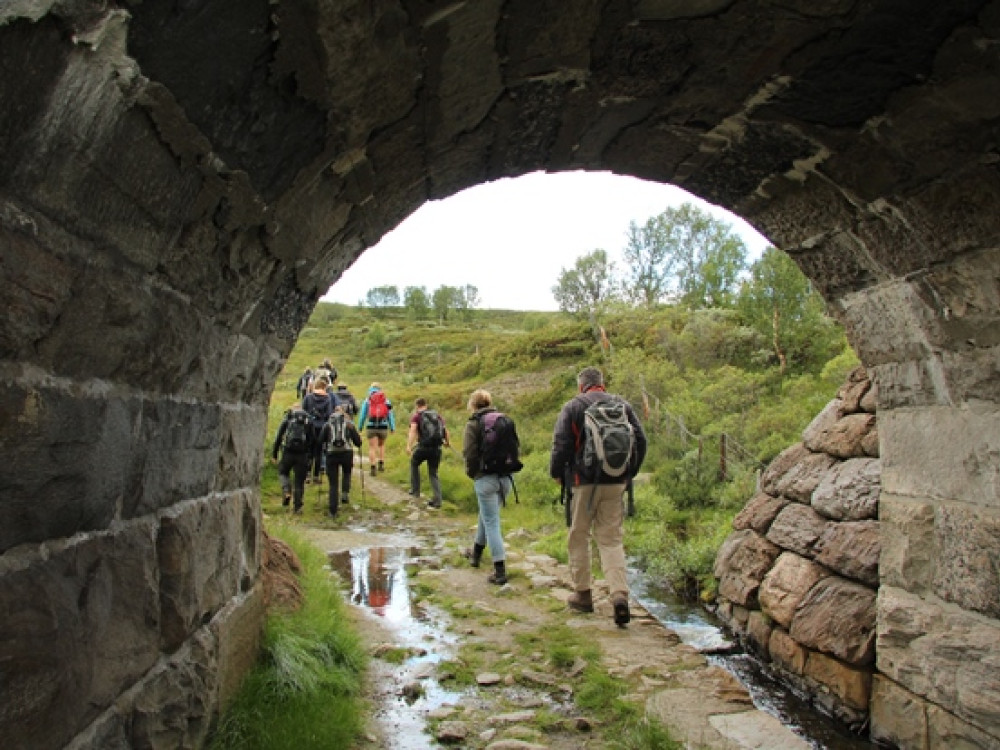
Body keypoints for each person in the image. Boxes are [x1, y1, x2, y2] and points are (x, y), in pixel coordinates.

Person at [549, 366, 647, 626]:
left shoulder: (573, 406)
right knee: (611, 539)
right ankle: (619, 595)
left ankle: (583, 594)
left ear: (581, 385)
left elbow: (561, 444)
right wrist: (628, 473)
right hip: (616, 481)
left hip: (583, 482)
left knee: (579, 535)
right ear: (601, 384)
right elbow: (641, 439)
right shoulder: (622, 405)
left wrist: (558, 474)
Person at [462, 389, 510, 585]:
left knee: (492, 522)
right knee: (486, 515)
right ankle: (476, 554)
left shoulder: (473, 424)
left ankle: (500, 570)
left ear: (473, 404)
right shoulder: (504, 420)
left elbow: (469, 453)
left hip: (485, 478)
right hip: (505, 478)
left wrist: (473, 474)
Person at [272, 402, 315, 514]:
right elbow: (313, 440)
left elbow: (278, 438)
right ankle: (298, 508)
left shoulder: (288, 419)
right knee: (299, 482)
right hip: (302, 454)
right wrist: (310, 456)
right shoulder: (308, 421)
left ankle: (286, 491)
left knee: (283, 472)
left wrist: (274, 454)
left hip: (288, 452)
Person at [406, 397, 450, 508]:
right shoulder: (437, 415)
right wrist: (447, 442)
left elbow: (413, 431)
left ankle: (415, 491)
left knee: (414, 463)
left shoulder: (417, 416)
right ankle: (438, 500)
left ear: (417, 406)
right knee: (433, 473)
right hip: (436, 448)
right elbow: (445, 430)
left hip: (423, 447)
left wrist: (409, 446)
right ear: (426, 405)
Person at [319, 405, 362, 517]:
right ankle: (344, 494)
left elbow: (320, 441)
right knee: (346, 473)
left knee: (333, 483)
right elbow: (358, 442)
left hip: (331, 454)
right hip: (347, 453)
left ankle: (333, 511)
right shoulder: (349, 424)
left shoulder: (328, 424)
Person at [357, 382, 395, 476]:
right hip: (383, 426)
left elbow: (362, 415)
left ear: (370, 389)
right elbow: (390, 415)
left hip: (371, 426)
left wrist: (360, 427)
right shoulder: (386, 400)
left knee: (372, 447)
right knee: (381, 445)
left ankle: (373, 467)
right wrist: (392, 427)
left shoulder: (368, 400)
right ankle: (381, 463)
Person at [302, 377, 336, 483]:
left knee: (308, 451)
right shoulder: (328, 399)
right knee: (319, 452)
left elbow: (303, 412)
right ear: (324, 387)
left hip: (309, 427)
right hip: (322, 428)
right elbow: (329, 415)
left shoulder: (308, 397)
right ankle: (316, 475)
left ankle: (307, 474)